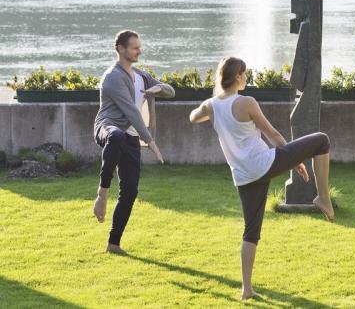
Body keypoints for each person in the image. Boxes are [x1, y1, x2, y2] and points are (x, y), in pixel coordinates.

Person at [189, 56, 334, 300]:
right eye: (245, 74)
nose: (246, 78)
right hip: (264, 164)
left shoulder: (211, 105)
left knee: (251, 232)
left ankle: (246, 289)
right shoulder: (246, 102)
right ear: (237, 76)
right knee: (321, 140)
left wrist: (211, 110)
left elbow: (194, 117)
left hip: (244, 176)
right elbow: (273, 134)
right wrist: (296, 159)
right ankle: (322, 197)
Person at [92, 30, 175, 254]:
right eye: (134, 47)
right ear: (120, 49)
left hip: (130, 136)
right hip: (108, 127)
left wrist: (158, 88)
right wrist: (152, 142)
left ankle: (113, 243)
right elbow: (131, 111)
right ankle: (102, 193)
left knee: (130, 191)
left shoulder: (141, 76)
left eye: (140, 47)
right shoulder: (112, 77)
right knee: (116, 135)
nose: (139, 51)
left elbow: (171, 91)